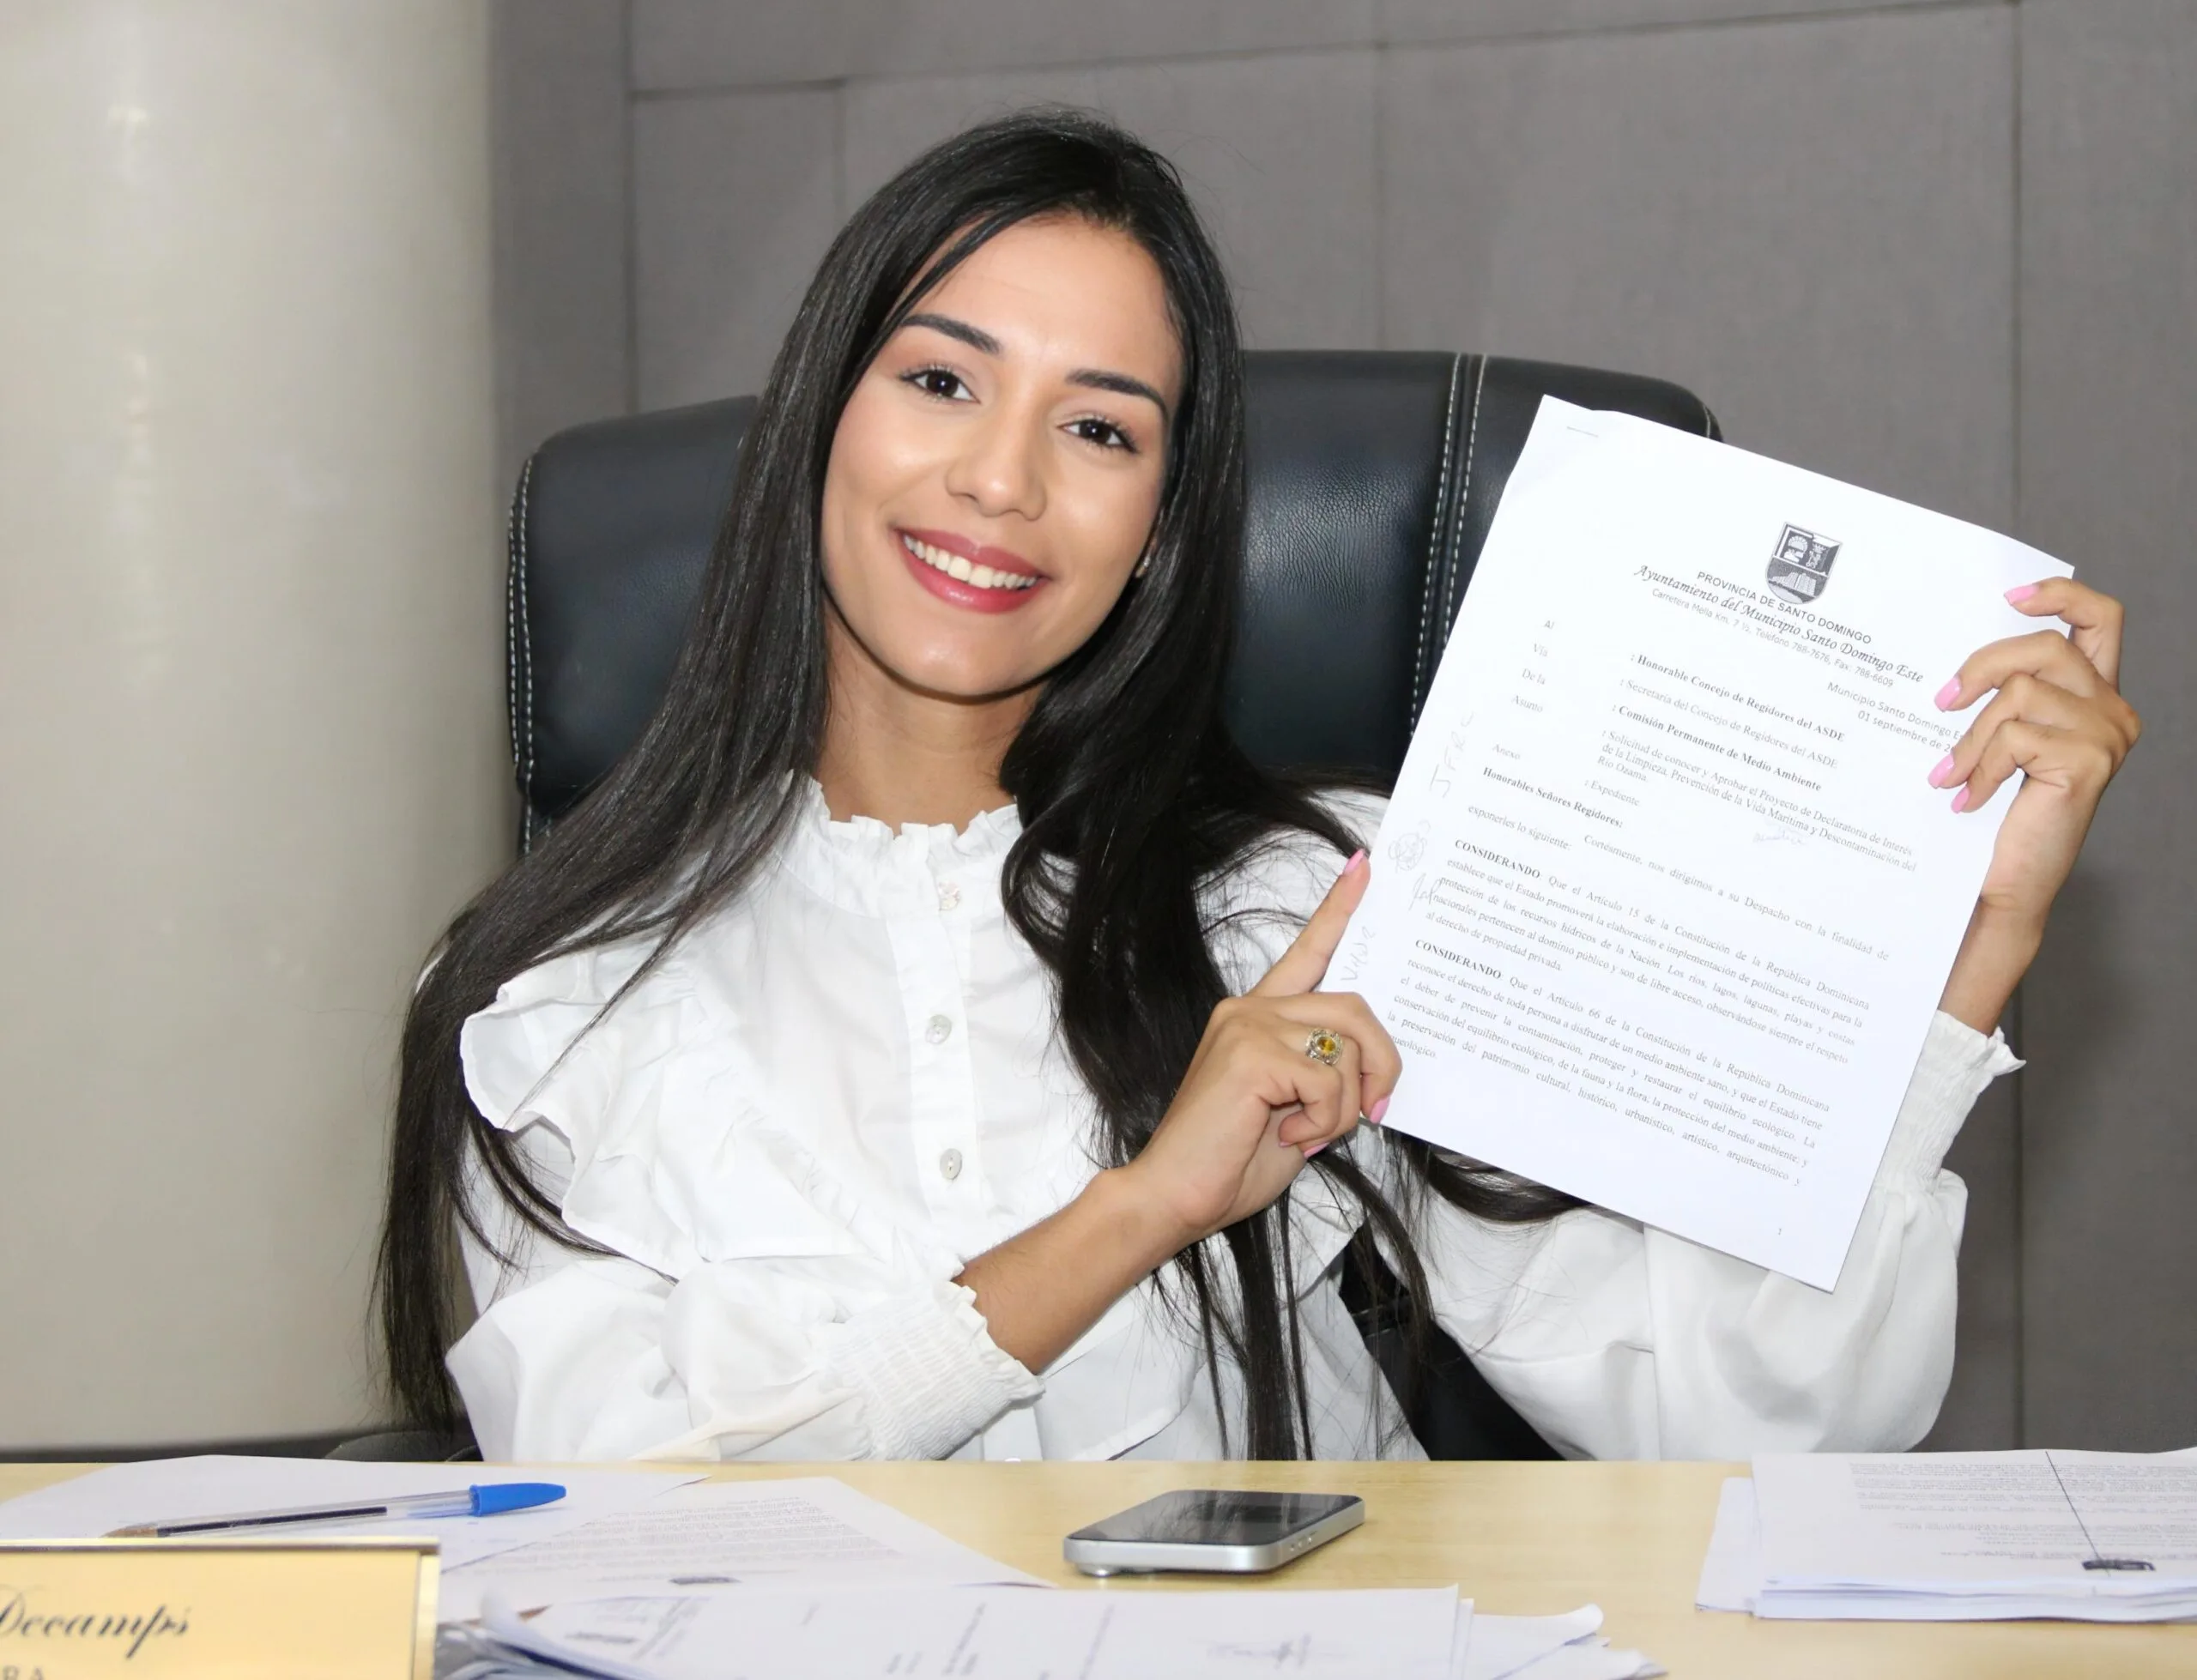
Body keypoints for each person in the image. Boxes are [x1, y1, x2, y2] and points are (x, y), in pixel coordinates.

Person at [377, 110, 2139, 1465]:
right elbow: (612, 1496)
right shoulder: (564, 984)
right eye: (940, 380)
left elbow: (1745, 1422)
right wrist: (1141, 1206)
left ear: (1159, 526)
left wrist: (1962, 951)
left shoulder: (1320, 907)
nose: (1000, 481)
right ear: (818, 422)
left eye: (1098, 428)